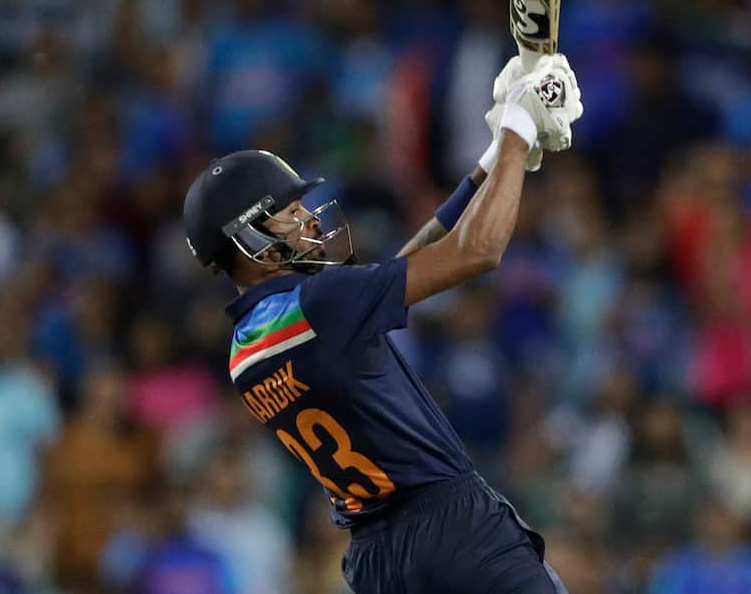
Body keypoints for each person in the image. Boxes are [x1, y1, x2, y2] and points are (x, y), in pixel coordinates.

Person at [181, 53, 582, 594]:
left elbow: (404, 264)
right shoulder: (323, 304)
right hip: (453, 527)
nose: (306, 218)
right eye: (286, 210)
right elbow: (477, 252)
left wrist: (493, 160)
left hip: (378, 564)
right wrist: (519, 125)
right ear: (245, 239)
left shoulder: (244, 351)